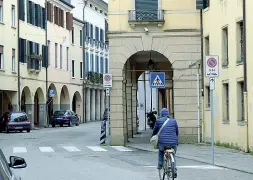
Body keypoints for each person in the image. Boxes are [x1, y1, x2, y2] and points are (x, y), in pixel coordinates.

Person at [152, 108, 179, 179]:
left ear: (161, 114)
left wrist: (153, 136)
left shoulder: (158, 121)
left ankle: (160, 165)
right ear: (168, 114)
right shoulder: (174, 121)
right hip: (173, 142)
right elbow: (177, 131)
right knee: (173, 153)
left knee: (161, 151)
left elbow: (155, 131)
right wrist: (176, 140)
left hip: (162, 143)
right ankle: (174, 168)